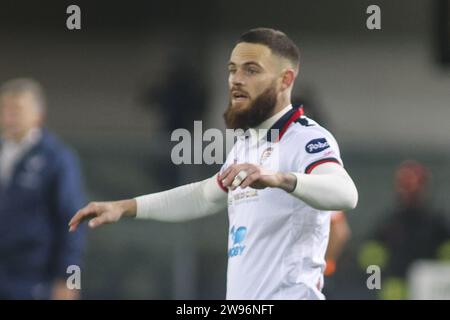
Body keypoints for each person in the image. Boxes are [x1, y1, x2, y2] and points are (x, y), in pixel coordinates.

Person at [69, 28, 358, 300]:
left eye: (251, 70)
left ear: (285, 80)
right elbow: (203, 196)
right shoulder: (246, 146)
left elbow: (346, 194)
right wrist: (125, 207)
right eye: (232, 69)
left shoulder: (306, 138)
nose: (236, 79)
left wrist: (280, 179)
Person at [0, 78, 86, 299]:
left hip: (34, 278)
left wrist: (69, 279)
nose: (8, 116)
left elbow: (73, 219)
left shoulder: (57, 158)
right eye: (4, 108)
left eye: (16, 109)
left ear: (38, 114)